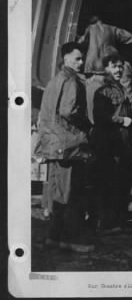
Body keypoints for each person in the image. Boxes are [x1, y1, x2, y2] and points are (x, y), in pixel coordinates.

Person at [35, 42, 94, 252]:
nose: (81, 62)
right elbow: (69, 111)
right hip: (69, 145)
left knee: (57, 195)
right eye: (77, 58)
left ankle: (53, 237)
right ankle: (71, 240)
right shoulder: (72, 81)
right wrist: (87, 124)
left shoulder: (53, 81)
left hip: (53, 144)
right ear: (66, 58)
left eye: (82, 58)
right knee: (70, 195)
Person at [92, 53, 132, 233]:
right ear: (106, 68)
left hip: (124, 143)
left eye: (120, 66)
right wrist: (122, 121)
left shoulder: (119, 87)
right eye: (114, 66)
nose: (118, 70)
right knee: (109, 183)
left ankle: (119, 221)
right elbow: (101, 116)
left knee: (122, 182)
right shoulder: (103, 90)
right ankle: (106, 223)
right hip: (111, 144)